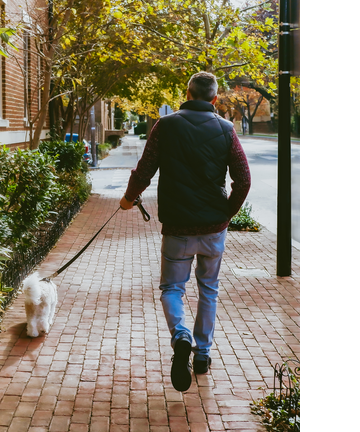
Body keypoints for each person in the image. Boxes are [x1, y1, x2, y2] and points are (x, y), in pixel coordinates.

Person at [119, 72, 251, 392]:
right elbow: (243, 180)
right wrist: (226, 214)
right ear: (215, 100)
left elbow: (144, 170)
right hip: (213, 229)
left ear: (187, 94)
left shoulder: (166, 125)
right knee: (209, 289)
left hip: (177, 227)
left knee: (172, 288)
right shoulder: (227, 129)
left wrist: (128, 199)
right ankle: (202, 353)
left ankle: (181, 335)